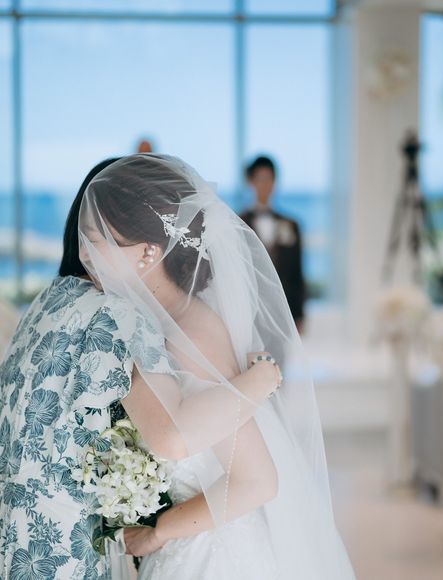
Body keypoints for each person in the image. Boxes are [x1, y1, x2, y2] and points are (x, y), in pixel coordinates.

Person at [0, 157, 283, 578]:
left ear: (149, 251)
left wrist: (159, 532)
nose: (83, 255)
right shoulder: (135, 321)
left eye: (97, 240)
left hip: (209, 554)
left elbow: (255, 480)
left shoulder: (187, 331)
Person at [239, 156, 306, 331]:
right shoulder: (238, 224)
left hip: (283, 312)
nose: (265, 185)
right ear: (251, 182)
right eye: (260, 179)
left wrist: (299, 314)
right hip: (250, 313)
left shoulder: (291, 224)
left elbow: (297, 272)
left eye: (269, 179)